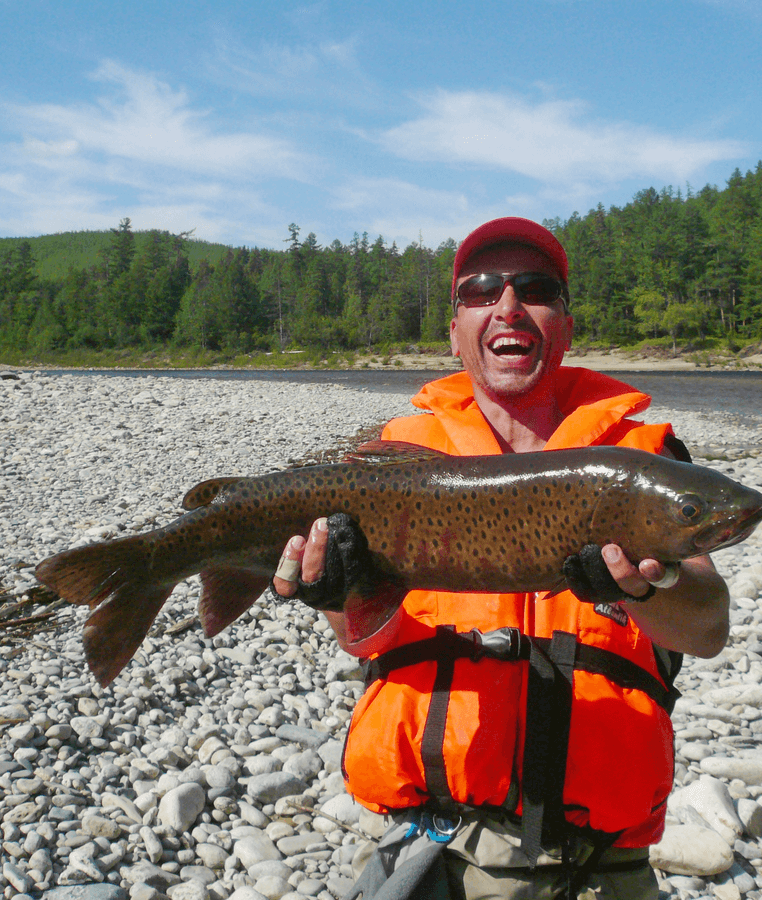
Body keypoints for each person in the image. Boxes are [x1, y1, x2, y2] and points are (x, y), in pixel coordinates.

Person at [272, 217, 730, 900]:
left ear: (567, 325)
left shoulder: (642, 469)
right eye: (481, 291)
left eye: (535, 288)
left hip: (601, 865)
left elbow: (708, 628)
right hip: (438, 845)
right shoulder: (390, 469)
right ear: (454, 330)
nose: (508, 306)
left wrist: (647, 590)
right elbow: (369, 639)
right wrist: (339, 596)